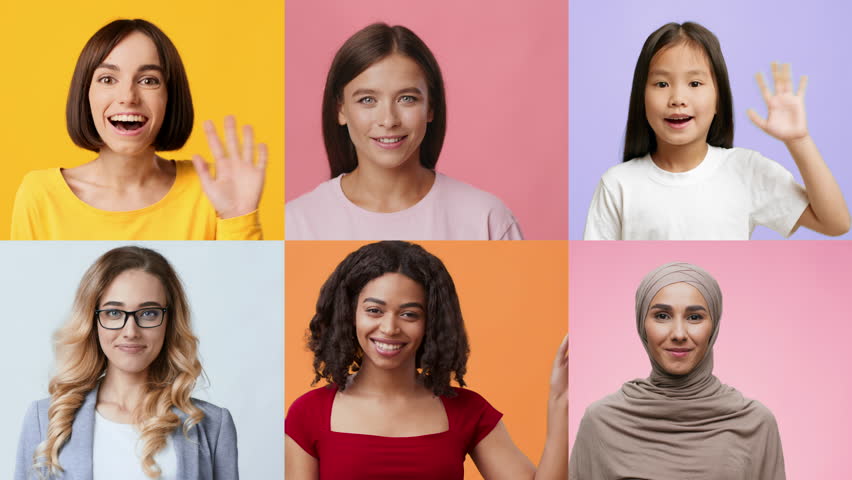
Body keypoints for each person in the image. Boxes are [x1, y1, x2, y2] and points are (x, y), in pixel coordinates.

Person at [285, 241, 566, 479]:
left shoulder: (468, 411)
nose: (390, 328)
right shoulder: (308, 414)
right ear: (349, 314)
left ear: (431, 323)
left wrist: (559, 403)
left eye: (409, 314)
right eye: (374, 310)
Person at [583, 21, 849, 240]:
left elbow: (836, 223)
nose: (677, 98)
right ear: (641, 98)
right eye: (662, 84)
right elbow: (594, 273)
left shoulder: (746, 170)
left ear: (719, 99)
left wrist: (798, 140)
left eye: (695, 83)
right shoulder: (618, 185)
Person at [11, 19, 267, 240]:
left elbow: (243, 289)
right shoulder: (40, 195)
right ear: (85, 94)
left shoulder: (211, 190)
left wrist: (238, 217)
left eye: (148, 80)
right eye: (107, 79)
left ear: (170, 97)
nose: (128, 96)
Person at [15, 246, 238, 479]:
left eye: (149, 313)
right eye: (114, 313)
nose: (130, 331)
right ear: (93, 320)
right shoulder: (45, 418)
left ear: (169, 321)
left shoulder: (213, 424)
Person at [285, 23, 522, 240]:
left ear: (430, 108)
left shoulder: (487, 220)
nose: (388, 120)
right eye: (367, 99)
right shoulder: (297, 223)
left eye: (406, 98)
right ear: (340, 110)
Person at [570, 262, 785, 479]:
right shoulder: (601, 421)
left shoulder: (755, 423)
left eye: (694, 317)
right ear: (642, 323)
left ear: (714, 325)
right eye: (662, 316)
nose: (679, 334)